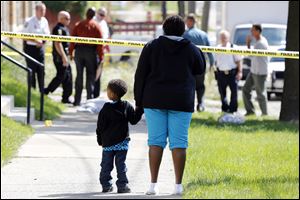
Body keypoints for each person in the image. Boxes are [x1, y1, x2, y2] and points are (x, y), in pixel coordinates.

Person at [134, 15, 206, 195]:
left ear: (164, 29)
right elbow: (200, 69)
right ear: (183, 30)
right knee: (179, 143)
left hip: (154, 99)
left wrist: (138, 102)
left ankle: (152, 185)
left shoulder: (151, 46)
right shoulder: (192, 49)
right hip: (182, 101)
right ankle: (178, 186)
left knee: (155, 143)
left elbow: (140, 75)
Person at [96, 79, 143, 193]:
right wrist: (139, 110)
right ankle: (122, 186)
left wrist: (99, 140)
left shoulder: (106, 108)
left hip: (108, 143)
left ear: (112, 94)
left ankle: (106, 185)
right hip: (122, 143)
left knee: (106, 165)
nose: (107, 92)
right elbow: (133, 120)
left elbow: (100, 126)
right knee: (121, 165)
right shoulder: (126, 106)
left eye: (108, 90)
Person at [69, 7, 103, 106]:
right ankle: (89, 101)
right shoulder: (96, 26)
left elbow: (72, 40)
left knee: (79, 75)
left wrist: (71, 52)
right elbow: (100, 43)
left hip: (79, 51)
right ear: (94, 15)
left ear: (86, 14)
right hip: (90, 52)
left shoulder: (79, 24)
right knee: (90, 76)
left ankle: (77, 101)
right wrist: (101, 57)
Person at [183, 13, 214, 112]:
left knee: (189, 85)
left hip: (189, 65)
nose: (186, 23)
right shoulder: (203, 34)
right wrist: (212, 63)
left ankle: (190, 104)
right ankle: (200, 104)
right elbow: (209, 50)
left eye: (186, 21)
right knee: (200, 85)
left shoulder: (185, 34)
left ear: (190, 21)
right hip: (201, 64)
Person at [44, 11, 72, 104]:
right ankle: (46, 91)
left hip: (65, 56)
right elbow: (58, 43)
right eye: (67, 18)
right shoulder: (58, 28)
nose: (69, 20)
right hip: (59, 57)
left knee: (67, 77)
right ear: (61, 19)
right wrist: (64, 57)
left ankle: (65, 98)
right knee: (61, 76)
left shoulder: (64, 28)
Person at [242, 24, 269, 116]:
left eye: (253, 30)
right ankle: (250, 111)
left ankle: (265, 114)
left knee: (260, 94)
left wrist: (248, 44)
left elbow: (250, 55)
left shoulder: (261, 43)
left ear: (258, 31)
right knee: (245, 90)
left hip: (260, 72)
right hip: (254, 71)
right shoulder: (258, 42)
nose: (251, 32)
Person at [23, 3, 50, 92]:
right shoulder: (29, 21)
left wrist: (42, 41)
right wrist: (36, 41)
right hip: (30, 49)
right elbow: (24, 36)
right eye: (41, 10)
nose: (43, 12)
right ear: (36, 10)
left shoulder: (44, 21)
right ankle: (32, 92)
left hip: (40, 49)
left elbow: (47, 35)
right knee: (32, 71)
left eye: (44, 10)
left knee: (41, 71)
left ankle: (41, 92)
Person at [215, 30, 243, 113]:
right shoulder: (217, 48)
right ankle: (225, 108)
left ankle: (233, 110)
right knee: (222, 93)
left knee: (234, 93)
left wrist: (240, 72)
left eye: (225, 37)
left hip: (232, 73)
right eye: (222, 37)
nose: (223, 39)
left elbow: (239, 61)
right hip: (221, 73)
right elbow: (216, 62)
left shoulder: (233, 47)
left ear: (228, 38)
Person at [94, 7, 110, 98]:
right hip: (94, 50)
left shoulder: (104, 23)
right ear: (97, 13)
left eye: (104, 15)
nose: (102, 16)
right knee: (93, 72)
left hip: (102, 50)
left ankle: (96, 94)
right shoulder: (93, 21)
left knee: (99, 71)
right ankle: (91, 94)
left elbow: (106, 36)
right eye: (101, 14)